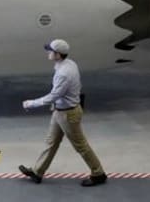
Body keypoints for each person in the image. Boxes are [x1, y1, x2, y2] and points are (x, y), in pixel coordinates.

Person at [18, 39, 107, 187]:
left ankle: (99, 174)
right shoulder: (69, 63)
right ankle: (37, 171)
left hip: (68, 114)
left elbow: (53, 96)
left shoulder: (64, 73)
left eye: (50, 51)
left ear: (58, 54)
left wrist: (31, 103)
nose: (47, 52)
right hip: (60, 111)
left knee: (81, 146)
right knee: (51, 142)